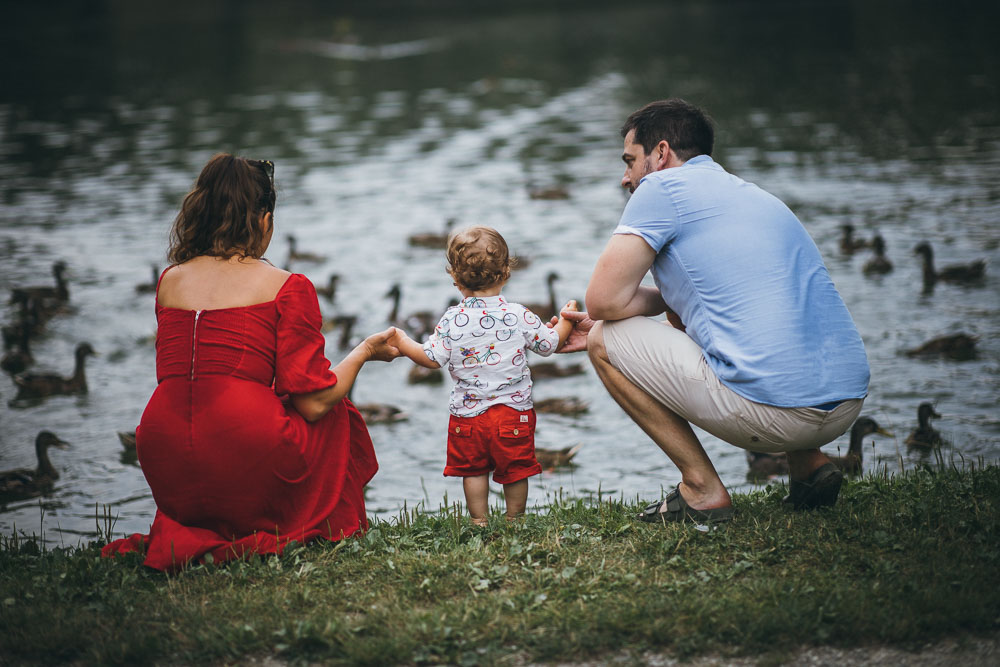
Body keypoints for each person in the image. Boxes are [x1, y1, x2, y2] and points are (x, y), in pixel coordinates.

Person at [556, 99, 870, 523]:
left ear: (661, 153)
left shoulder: (660, 188)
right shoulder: (757, 196)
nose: (626, 176)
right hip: (847, 404)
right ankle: (809, 465)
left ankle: (702, 490)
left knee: (603, 339)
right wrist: (656, 302)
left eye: (630, 161)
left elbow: (603, 302)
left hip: (777, 415)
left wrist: (610, 320)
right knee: (761, 325)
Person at [102, 154, 401, 570]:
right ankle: (307, 524)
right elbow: (313, 402)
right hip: (242, 447)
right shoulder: (287, 286)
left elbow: (189, 377)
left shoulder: (170, 280)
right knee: (337, 412)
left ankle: (203, 526)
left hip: (163, 452)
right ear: (264, 220)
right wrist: (365, 351)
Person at [389, 226, 577, 525]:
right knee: (516, 469)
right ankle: (515, 519)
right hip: (512, 413)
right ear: (506, 273)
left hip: (468, 416)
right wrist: (566, 319)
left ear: (455, 278)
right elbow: (549, 344)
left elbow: (431, 358)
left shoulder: (451, 319)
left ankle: (479, 521)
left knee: (474, 470)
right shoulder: (517, 313)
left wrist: (402, 342)